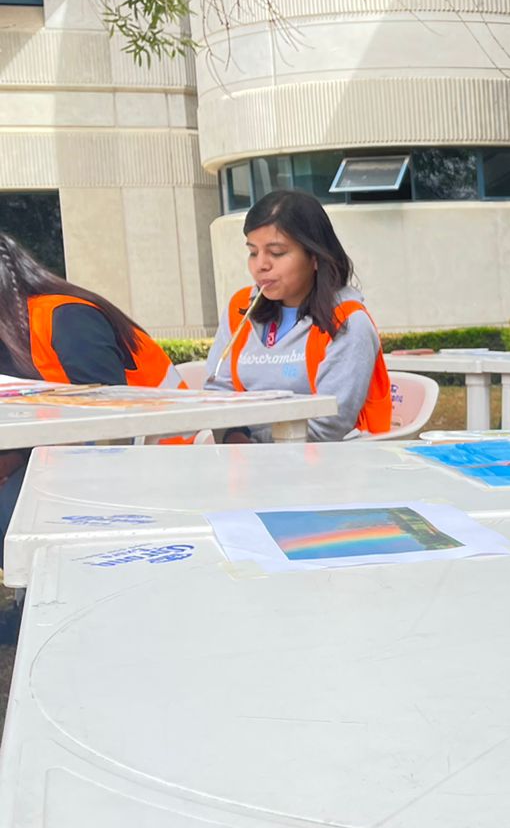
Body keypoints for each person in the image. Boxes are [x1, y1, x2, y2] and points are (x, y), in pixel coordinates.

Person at [0, 231, 179, 567]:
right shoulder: (11, 335)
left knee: (14, 510)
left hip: (164, 457)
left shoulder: (66, 318)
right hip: (75, 457)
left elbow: (111, 428)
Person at [204, 190, 391, 442]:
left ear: (315, 256)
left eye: (277, 252)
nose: (261, 265)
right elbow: (217, 390)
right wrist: (232, 436)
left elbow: (328, 425)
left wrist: (248, 438)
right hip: (244, 460)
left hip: (327, 467)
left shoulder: (348, 322)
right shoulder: (240, 309)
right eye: (253, 252)